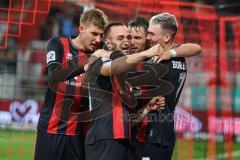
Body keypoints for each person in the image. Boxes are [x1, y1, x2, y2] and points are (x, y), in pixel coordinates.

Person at [83, 22, 166, 160]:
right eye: (120, 38)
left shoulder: (125, 77)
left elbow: (128, 120)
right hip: (104, 140)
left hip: (123, 141)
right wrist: (146, 53)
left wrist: (147, 108)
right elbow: (112, 67)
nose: (127, 41)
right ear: (108, 43)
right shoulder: (99, 61)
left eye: (128, 37)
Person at [34, 8, 108, 160]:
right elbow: (54, 76)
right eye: (94, 34)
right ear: (81, 28)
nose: (98, 40)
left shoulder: (102, 52)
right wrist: (86, 65)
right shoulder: (58, 44)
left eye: (101, 35)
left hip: (80, 135)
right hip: (51, 131)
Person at [134, 13, 202, 160]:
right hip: (162, 130)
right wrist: (171, 52)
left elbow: (196, 47)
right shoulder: (177, 55)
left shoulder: (160, 64)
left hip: (153, 132)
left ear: (166, 37)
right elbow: (195, 48)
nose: (148, 38)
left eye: (151, 34)